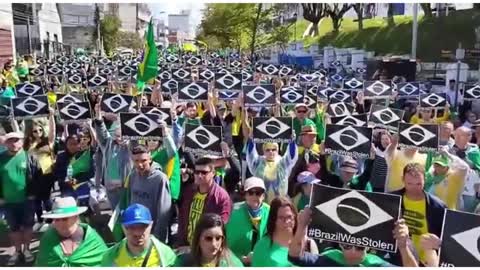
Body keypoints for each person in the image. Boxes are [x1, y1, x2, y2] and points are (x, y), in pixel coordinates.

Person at [288, 207, 418, 267]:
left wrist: (403, 245)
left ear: (369, 245)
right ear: (339, 243)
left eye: (360, 246)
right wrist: (301, 227)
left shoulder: (376, 265)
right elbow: (294, 256)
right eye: (347, 245)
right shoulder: (329, 260)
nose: (353, 252)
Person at [391, 163, 446, 265]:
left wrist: (439, 244)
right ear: (403, 179)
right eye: (409, 183)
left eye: (418, 184)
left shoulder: (439, 206)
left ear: (425, 180)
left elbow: (444, 238)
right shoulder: (391, 200)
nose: (414, 188)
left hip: (427, 262)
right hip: (398, 258)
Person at [0, 131, 41, 265]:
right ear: (5, 143)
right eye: (10, 140)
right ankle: (17, 251)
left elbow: (38, 177)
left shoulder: (30, 157)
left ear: (22, 142)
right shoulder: (0, 158)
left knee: (28, 226)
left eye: (16, 140)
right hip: (7, 201)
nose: (13, 143)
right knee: (14, 228)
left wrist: (33, 193)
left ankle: (27, 250)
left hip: (26, 201)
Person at [177, 157, 232, 249]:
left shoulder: (222, 197)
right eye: (197, 172)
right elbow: (182, 219)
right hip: (186, 246)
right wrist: (181, 243)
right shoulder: (189, 191)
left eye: (204, 172)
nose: (199, 175)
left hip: (208, 248)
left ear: (213, 173)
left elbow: (222, 225)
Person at [35, 197, 107, 266]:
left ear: (76, 217)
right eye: (56, 219)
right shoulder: (48, 239)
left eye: (64, 219)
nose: (60, 223)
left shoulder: (92, 240)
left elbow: (105, 262)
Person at [101, 203, 177, 267]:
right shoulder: (110, 257)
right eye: (131, 227)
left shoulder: (166, 256)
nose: (137, 233)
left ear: (151, 225)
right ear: (123, 227)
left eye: (143, 227)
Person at [125, 144, 173, 243]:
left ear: (150, 159)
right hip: (135, 230)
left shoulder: (160, 179)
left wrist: (158, 236)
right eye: (136, 161)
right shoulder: (133, 176)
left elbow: (164, 212)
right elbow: (130, 202)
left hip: (152, 233)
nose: (140, 165)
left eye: (143, 161)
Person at [252, 196, 317, 266]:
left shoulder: (309, 244)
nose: (286, 221)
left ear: (295, 217)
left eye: (289, 217)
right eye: (281, 218)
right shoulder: (262, 246)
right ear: (273, 220)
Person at [94, 103, 133, 209]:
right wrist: (98, 117)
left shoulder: (130, 146)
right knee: (116, 217)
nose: (119, 138)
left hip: (125, 187)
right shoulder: (108, 143)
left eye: (121, 136)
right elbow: (102, 132)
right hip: (111, 188)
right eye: (116, 135)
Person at [24, 109, 56, 231]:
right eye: (35, 131)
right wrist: (13, 120)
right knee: (36, 199)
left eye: (40, 130)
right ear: (31, 132)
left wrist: (52, 115)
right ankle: (40, 220)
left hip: (47, 174)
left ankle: (50, 220)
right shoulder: (28, 144)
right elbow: (20, 132)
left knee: (46, 198)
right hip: (33, 176)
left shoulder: (47, 142)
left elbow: (53, 130)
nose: (38, 132)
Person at [226, 177, 270, 265]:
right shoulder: (233, 211)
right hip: (235, 262)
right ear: (245, 195)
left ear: (263, 196)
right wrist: (240, 258)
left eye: (258, 193)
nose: (254, 196)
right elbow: (225, 243)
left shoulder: (270, 212)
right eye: (250, 192)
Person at [175, 213, 243, 267]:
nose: (214, 244)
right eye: (208, 238)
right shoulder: (183, 262)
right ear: (198, 239)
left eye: (218, 238)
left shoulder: (232, 264)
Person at [246, 137, 298, 202]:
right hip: (262, 203)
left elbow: (291, 156)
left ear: (277, 150)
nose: (271, 152)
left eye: (274, 149)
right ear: (263, 151)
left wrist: (292, 141)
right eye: (267, 150)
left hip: (280, 202)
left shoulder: (282, 162)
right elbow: (250, 155)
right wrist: (251, 139)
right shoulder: (258, 162)